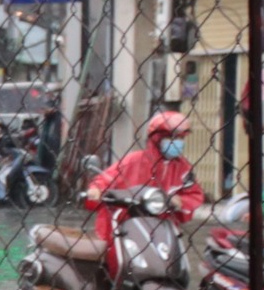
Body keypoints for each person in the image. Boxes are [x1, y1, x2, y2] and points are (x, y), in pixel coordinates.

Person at [81, 110, 204, 257]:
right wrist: (96, 190)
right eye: (172, 137)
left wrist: (180, 202)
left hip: (162, 231)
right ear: (157, 138)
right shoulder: (134, 161)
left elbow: (193, 194)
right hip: (124, 228)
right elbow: (106, 179)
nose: (178, 142)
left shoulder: (183, 168)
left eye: (180, 138)